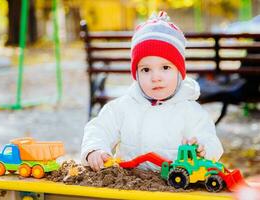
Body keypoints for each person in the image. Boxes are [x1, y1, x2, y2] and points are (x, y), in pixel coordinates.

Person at [81, 11, 224, 171]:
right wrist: (95, 149)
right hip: (128, 184)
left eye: (165, 67)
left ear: (180, 71)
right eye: (146, 69)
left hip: (172, 186)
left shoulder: (190, 112)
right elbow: (100, 128)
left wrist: (203, 148)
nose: (156, 77)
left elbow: (211, 140)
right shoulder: (123, 107)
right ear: (136, 74)